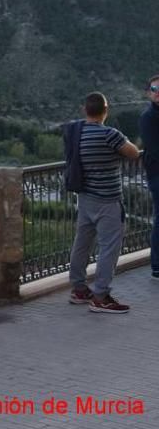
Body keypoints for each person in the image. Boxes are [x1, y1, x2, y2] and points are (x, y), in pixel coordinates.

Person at [67, 92, 140, 313]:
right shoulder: (110, 135)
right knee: (109, 248)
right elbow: (134, 153)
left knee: (82, 244)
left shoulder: (76, 133)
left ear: (85, 110)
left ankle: (79, 289)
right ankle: (101, 296)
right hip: (108, 201)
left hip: (85, 198)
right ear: (105, 111)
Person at [138, 75, 159, 280]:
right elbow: (154, 149)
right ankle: (157, 266)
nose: (158, 91)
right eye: (154, 88)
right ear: (149, 92)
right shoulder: (149, 117)